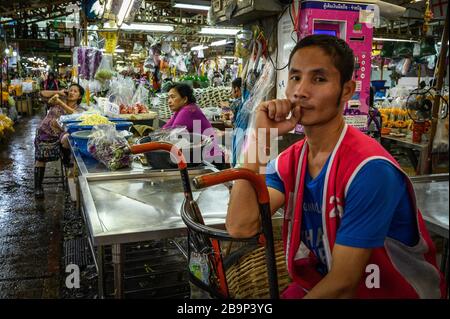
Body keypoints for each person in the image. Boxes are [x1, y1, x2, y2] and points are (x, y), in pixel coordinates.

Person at [226, 35, 446, 298]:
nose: (300, 91)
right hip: (320, 284)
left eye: (319, 79)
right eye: (295, 77)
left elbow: (343, 283)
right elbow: (241, 226)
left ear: (346, 90)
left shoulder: (370, 170)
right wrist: (260, 136)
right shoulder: (291, 161)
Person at [34, 83, 85, 198]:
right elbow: (41, 93)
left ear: (80, 96)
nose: (71, 92)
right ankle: (38, 187)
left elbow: (76, 115)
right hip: (46, 133)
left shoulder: (79, 109)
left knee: (68, 139)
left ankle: (68, 166)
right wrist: (58, 93)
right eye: (70, 90)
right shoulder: (58, 98)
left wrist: (60, 103)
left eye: (75, 91)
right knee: (40, 157)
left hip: (61, 134)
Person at [162, 83, 222, 165]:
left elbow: (171, 136)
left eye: (173, 97)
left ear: (185, 99)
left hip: (211, 160)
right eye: (168, 97)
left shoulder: (189, 110)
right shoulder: (181, 110)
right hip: (202, 157)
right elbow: (164, 131)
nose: (169, 101)